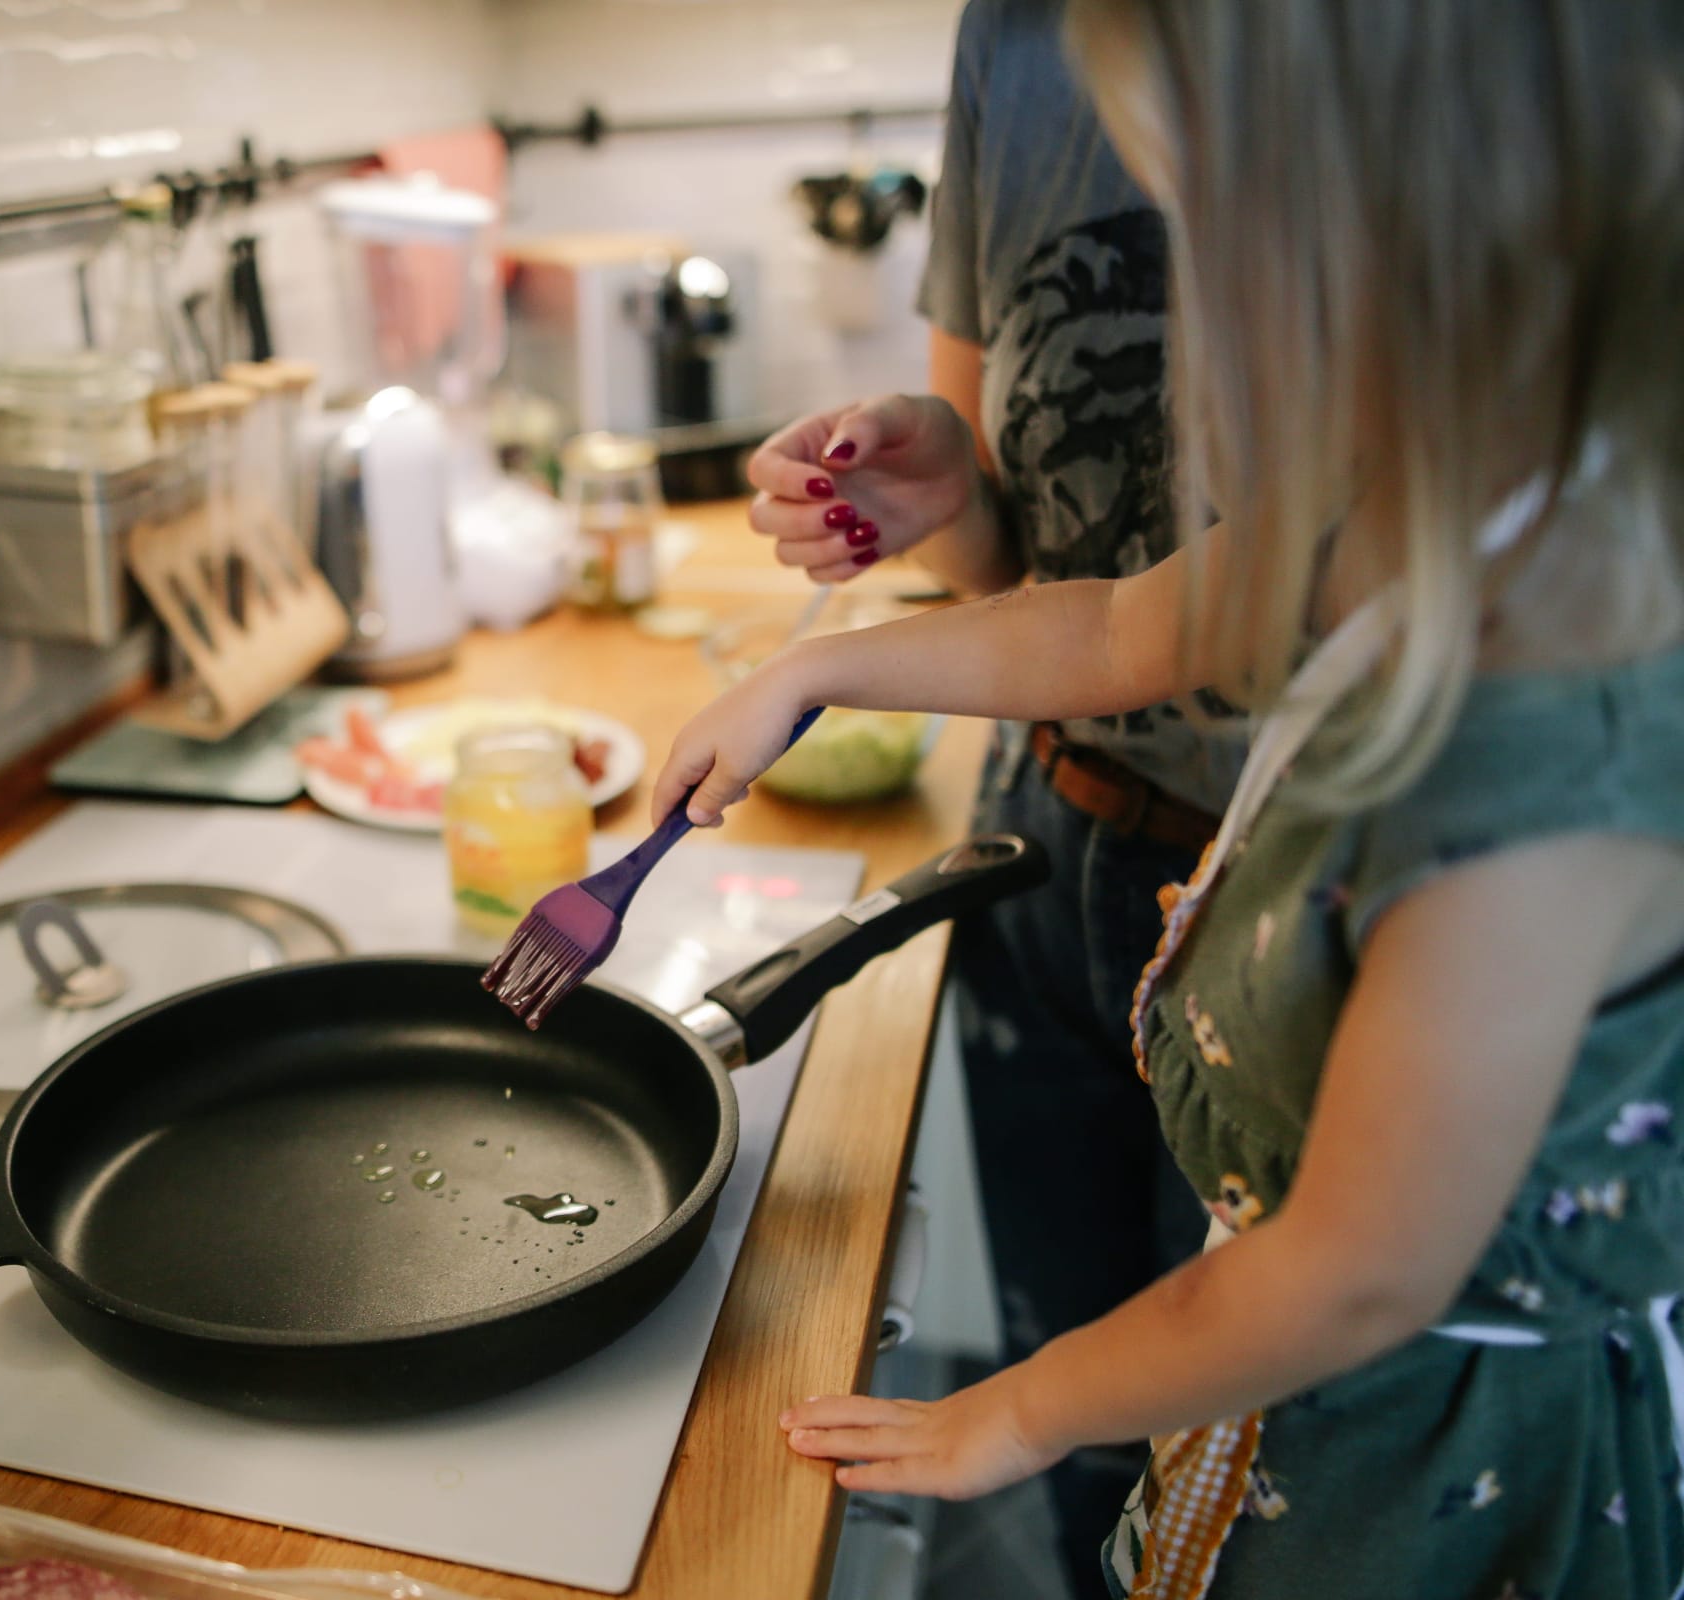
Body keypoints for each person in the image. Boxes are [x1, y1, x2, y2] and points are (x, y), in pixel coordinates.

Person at [658, 1, 1684, 1593]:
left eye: (1216, 222)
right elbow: (1117, 630)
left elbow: (1353, 1276)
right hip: (1287, 1385)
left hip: (1426, 1472)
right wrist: (817, 671)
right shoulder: (1428, 504)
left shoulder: (1540, 763)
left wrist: (1023, 1410)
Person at [744, 1, 1220, 1583]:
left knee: (1244, 1456)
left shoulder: (1453, 65)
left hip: (1305, 886)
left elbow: (1355, 1278)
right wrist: (937, 488)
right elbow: (1042, 577)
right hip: (1051, 844)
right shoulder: (1017, 38)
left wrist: (820, 672)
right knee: (1080, 1416)